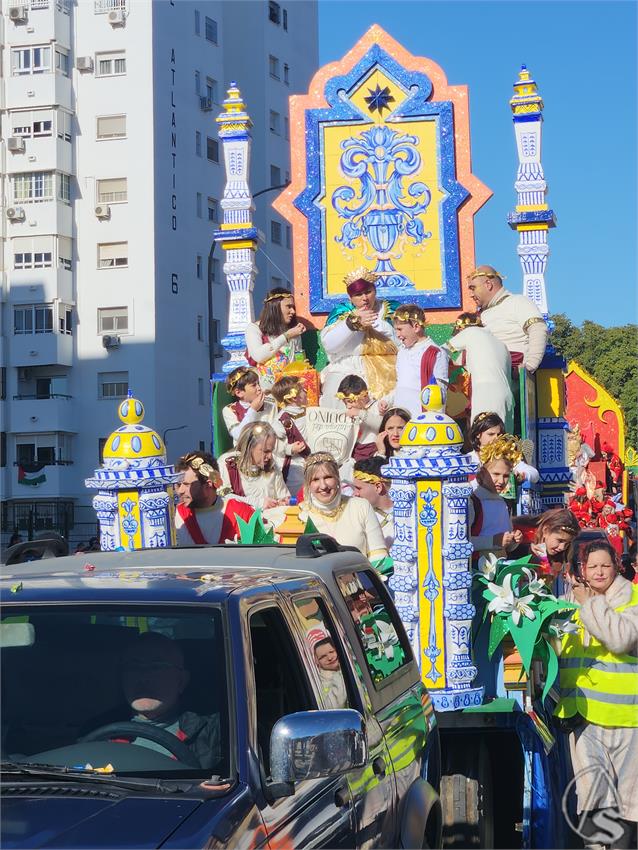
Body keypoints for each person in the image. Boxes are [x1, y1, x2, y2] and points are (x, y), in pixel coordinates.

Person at [556, 541, 638, 849]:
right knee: (591, 794)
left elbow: (621, 639)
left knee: (629, 799)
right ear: (582, 570)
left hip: (627, 717)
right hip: (584, 716)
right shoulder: (570, 602)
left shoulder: (632, 597)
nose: (599, 572)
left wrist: (589, 605)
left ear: (617, 565)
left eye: (605, 565)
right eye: (592, 567)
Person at [99, 632, 221, 770]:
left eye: (156, 666)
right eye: (133, 667)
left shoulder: (215, 733)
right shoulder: (97, 730)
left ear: (181, 681)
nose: (143, 678)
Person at [320, 268, 398, 406]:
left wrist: (377, 323)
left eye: (368, 292)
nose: (365, 298)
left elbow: (403, 342)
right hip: (345, 368)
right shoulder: (342, 312)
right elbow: (329, 345)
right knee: (336, 399)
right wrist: (352, 324)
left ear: (375, 291)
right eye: (358, 294)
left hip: (385, 369)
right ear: (350, 297)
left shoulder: (390, 310)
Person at [300, 452, 388, 562]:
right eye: (315, 479)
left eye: (328, 477)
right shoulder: (299, 515)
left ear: (337, 478)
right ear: (308, 484)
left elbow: (379, 555)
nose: (323, 486)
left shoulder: (361, 506)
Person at [466, 266, 548, 373]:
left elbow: (538, 329)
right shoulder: (479, 316)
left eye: (473, 288)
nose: (471, 295)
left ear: (488, 284)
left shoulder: (518, 301)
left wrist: (529, 367)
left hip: (511, 375)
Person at [446, 312, 515, 431]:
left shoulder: (471, 332)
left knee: (483, 437)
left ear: (461, 329)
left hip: (486, 394)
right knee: (504, 439)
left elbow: (440, 352)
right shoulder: (500, 344)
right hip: (507, 398)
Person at [174, 451, 253, 545]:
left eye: (187, 485)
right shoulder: (175, 515)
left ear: (208, 484)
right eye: (178, 484)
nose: (180, 491)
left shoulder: (241, 514)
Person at [469, 434, 524, 561]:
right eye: (496, 474)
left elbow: (506, 546)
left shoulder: (503, 503)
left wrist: (514, 540)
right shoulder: (473, 501)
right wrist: (493, 541)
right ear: (482, 473)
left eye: (506, 476)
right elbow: (461, 542)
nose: (501, 481)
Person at [389, 304, 449, 418]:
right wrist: (387, 401)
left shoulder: (435, 353)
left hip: (421, 419)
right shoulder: (402, 352)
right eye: (396, 330)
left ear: (416, 327)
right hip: (401, 418)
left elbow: (439, 392)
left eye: (400, 329)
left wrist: (434, 420)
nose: (397, 335)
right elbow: (400, 386)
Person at [220, 422, 290, 510]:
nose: (270, 456)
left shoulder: (272, 467)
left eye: (271, 451)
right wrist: (258, 503)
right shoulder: (228, 464)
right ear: (249, 447)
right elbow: (222, 497)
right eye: (265, 451)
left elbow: (284, 496)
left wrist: (283, 502)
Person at [244, 287, 306, 388]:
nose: (293, 311)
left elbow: (298, 360)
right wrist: (286, 336)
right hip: (266, 390)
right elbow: (259, 356)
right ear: (275, 307)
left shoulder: (294, 331)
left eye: (293, 307)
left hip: (290, 387)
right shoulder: (254, 328)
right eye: (288, 306)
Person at [467, 411, 539, 484]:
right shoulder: (468, 460)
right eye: (491, 434)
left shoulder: (508, 457)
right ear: (478, 434)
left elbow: (534, 474)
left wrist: (522, 476)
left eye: (499, 435)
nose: (496, 438)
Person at [270, 375, 310, 495]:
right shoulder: (281, 420)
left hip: (311, 462)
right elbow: (271, 443)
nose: (306, 391)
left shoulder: (309, 412)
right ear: (293, 397)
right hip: (294, 468)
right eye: (302, 389)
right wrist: (289, 448)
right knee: (299, 496)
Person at [222, 367, 278, 445]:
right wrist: (253, 410)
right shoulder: (230, 410)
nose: (259, 388)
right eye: (254, 385)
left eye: (258, 384)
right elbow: (239, 435)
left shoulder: (270, 406)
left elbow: (276, 434)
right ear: (239, 393)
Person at [337, 374, 388, 461]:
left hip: (372, 450)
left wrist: (359, 413)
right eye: (345, 403)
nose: (348, 406)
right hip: (355, 450)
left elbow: (382, 425)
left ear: (364, 396)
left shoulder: (378, 407)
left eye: (350, 401)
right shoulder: (350, 410)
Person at [352, 457, 395, 549]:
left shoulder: (409, 516)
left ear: (378, 487)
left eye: (359, 488)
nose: (355, 494)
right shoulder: (357, 516)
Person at [307, 628, 348, 710]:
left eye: (331, 652)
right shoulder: (319, 685)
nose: (329, 658)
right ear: (317, 661)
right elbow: (336, 706)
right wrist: (337, 675)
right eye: (323, 657)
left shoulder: (349, 666)